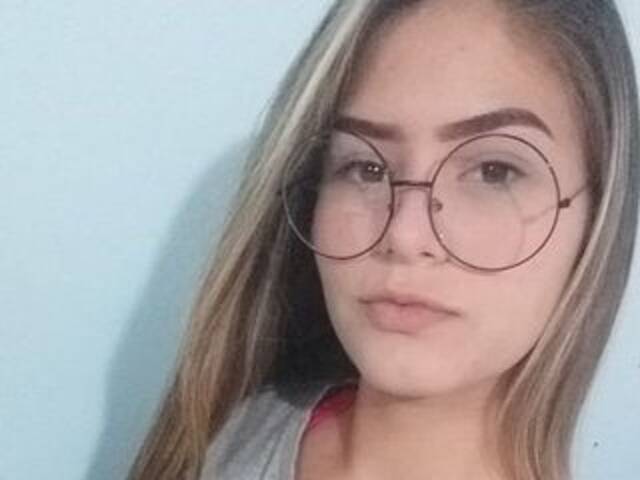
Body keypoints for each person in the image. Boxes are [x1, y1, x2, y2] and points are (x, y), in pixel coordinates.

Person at [128, 0, 639, 479]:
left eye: (494, 172)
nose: (405, 234)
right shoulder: (230, 434)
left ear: (598, 216)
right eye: (365, 168)